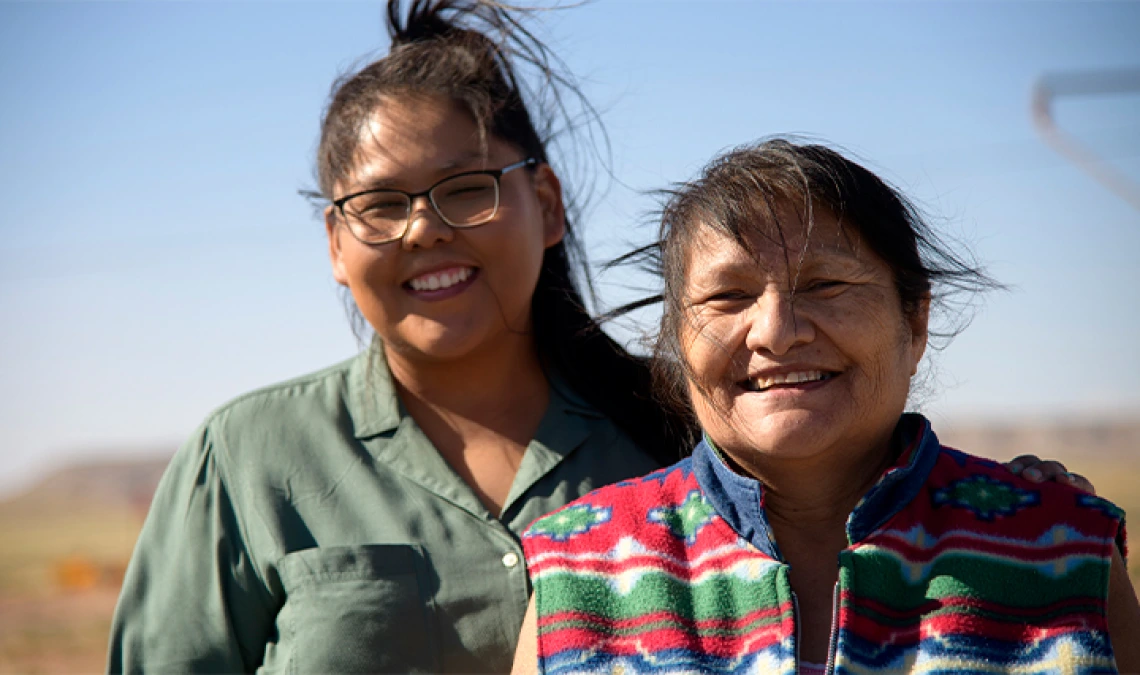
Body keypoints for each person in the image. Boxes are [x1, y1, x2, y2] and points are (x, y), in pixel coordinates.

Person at [107, 2, 1088, 671]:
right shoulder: (245, 457)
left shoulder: (679, 424)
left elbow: (857, 501)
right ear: (334, 240)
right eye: (380, 206)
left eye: (465, 188)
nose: (424, 229)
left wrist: (1028, 510)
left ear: (548, 201)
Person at [513, 139, 1140, 674]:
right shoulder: (577, 571)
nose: (776, 332)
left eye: (825, 285)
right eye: (728, 296)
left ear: (914, 322)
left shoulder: (1064, 552)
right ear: (679, 337)